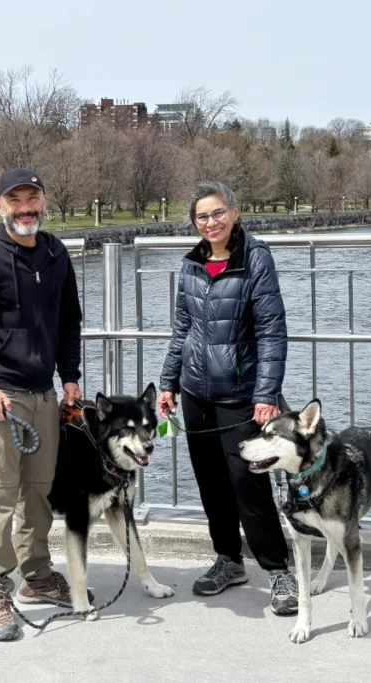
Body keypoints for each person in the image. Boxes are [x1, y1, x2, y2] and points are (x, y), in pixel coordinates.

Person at [0, 168, 84, 642]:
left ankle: (38, 577)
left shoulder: (55, 253)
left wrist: (70, 378)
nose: (25, 208)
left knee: (38, 492)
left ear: (44, 201)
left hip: (44, 392)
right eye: (15, 200)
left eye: (33, 199)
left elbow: (69, 322)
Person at [157, 181, 298, 615]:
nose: (211, 222)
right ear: (194, 223)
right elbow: (183, 329)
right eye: (202, 216)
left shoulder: (256, 259)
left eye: (218, 213)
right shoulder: (192, 265)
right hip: (197, 393)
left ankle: (278, 571)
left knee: (248, 484)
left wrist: (266, 393)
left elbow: (272, 331)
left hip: (241, 395)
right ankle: (229, 560)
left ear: (235, 212)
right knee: (212, 485)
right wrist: (168, 383)